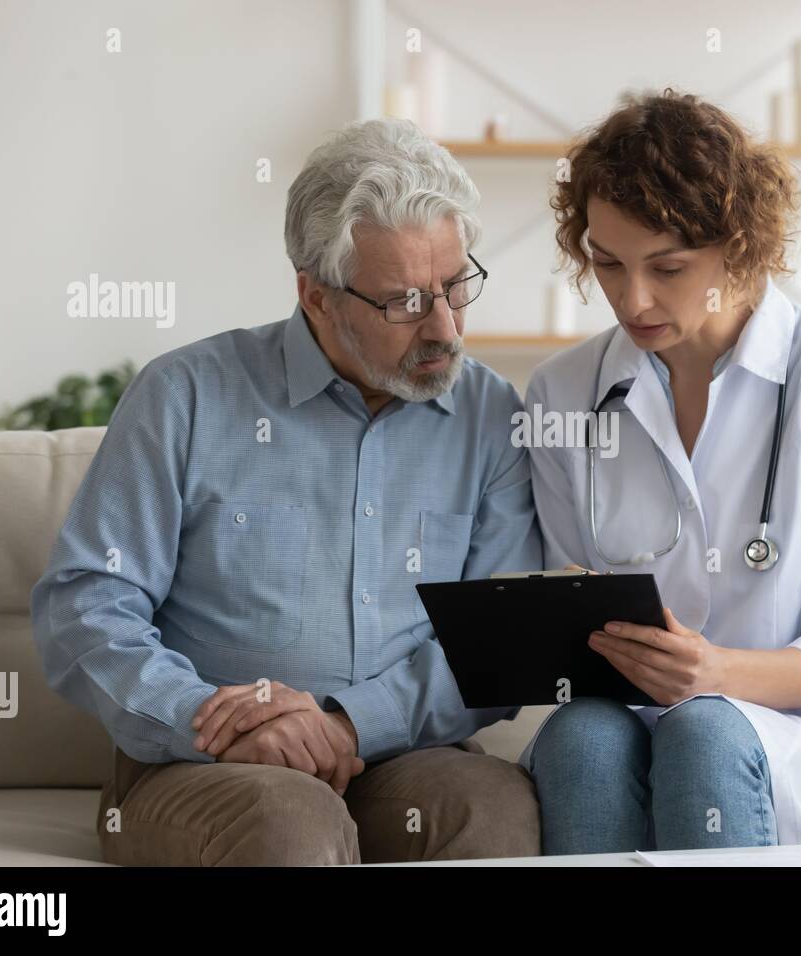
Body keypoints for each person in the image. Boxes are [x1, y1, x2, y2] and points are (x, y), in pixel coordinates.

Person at [31, 118, 543, 865]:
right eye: (404, 302)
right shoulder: (186, 396)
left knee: (494, 809)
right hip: (208, 763)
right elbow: (83, 603)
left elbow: (499, 639)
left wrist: (346, 724)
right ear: (317, 297)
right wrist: (213, 716)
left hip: (404, 756)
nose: (445, 329)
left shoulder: (490, 417)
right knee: (288, 823)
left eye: (455, 286)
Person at [522, 90, 801, 853]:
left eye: (667, 267)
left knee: (706, 731)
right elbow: (563, 597)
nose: (631, 299)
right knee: (580, 739)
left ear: (739, 246)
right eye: (607, 264)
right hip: (625, 717)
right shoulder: (563, 392)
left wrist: (718, 674)